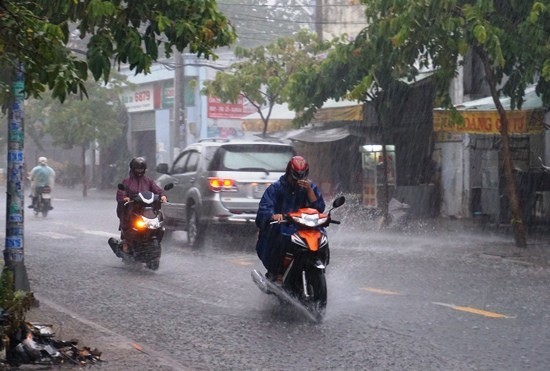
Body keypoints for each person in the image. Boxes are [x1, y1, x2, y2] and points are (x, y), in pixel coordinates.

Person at [255, 155, 325, 283]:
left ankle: (317, 266)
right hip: (285, 227)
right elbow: (264, 210)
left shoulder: (310, 188)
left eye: (302, 176)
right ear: (289, 172)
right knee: (281, 237)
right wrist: (274, 216)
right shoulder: (276, 188)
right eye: (295, 177)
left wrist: (309, 191)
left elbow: (319, 209)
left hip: (305, 227)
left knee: (322, 236)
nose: (298, 181)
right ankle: (278, 273)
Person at [116, 157, 167, 252]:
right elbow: (121, 192)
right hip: (133, 210)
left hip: (147, 210)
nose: (139, 171)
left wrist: (162, 196)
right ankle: (127, 241)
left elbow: (157, 190)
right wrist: (125, 198)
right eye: (137, 169)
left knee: (158, 221)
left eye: (141, 169)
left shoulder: (148, 181)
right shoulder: (127, 182)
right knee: (128, 220)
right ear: (133, 169)